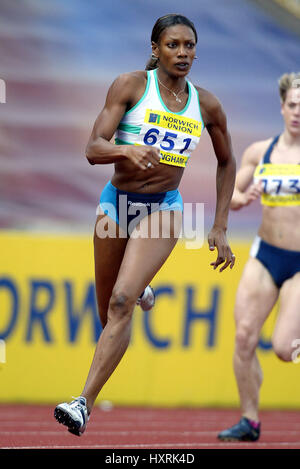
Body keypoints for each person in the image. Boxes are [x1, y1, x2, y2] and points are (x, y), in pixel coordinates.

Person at [54, 13, 236, 436]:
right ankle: (141, 284)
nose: (183, 53)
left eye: (189, 45)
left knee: (120, 302)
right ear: (156, 49)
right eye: (173, 45)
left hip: (163, 209)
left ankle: (82, 403)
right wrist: (126, 152)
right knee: (108, 312)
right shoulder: (131, 86)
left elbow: (227, 161)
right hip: (116, 205)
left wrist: (220, 224)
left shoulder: (206, 104)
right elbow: (92, 148)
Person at [218, 72, 300, 442]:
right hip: (266, 253)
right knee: (244, 338)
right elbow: (232, 194)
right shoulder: (260, 152)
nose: (298, 113)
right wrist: (237, 200)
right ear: (282, 108)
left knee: (284, 349)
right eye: (293, 105)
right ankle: (249, 420)